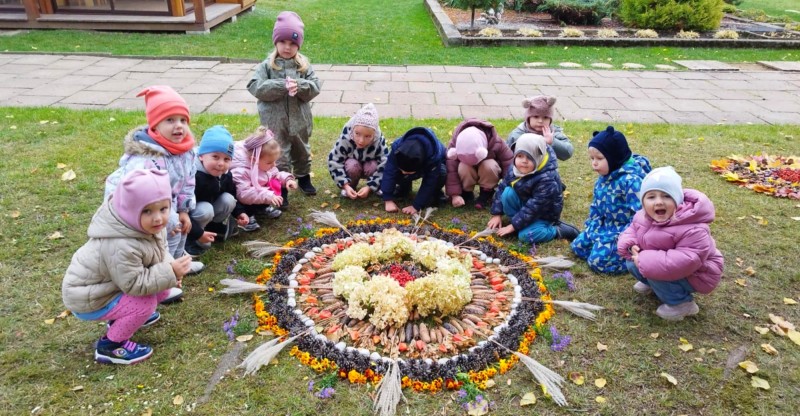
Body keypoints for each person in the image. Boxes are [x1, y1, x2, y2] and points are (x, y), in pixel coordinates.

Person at [63, 169, 190, 364]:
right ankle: (111, 346)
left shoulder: (146, 226)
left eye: (163, 209)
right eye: (147, 211)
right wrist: (170, 271)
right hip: (90, 298)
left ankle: (126, 317)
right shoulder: (121, 243)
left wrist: (170, 267)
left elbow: (160, 251)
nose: (158, 218)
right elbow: (134, 284)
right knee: (145, 304)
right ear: (130, 210)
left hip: (112, 286)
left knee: (163, 290)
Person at [104, 85, 204, 275]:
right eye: (170, 120)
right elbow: (138, 195)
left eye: (183, 120)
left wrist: (184, 209)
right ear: (155, 126)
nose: (179, 126)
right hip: (139, 208)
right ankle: (163, 271)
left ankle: (177, 261)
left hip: (167, 203)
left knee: (181, 223)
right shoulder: (147, 158)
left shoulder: (186, 151)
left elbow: (188, 182)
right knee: (168, 227)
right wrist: (167, 215)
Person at [617, 167, 724, 321]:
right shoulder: (643, 216)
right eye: (651, 197)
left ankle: (682, 304)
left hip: (698, 274)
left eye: (667, 196)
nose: (659, 202)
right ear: (643, 201)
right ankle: (656, 285)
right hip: (663, 263)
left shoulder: (693, 227)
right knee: (633, 264)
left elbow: (687, 259)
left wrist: (644, 260)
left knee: (654, 268)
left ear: (678, 200)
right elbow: (631, 230)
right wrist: (629, 245)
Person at [247, 11, 320, 200]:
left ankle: (303, 177)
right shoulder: (267, 66)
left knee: (302, 149)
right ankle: (282, 185)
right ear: (275, 42)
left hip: (300, 119)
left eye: (293, 43)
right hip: (274, 121)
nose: (287, 47)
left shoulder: (303, 66)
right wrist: (280, 85)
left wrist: (301, 85)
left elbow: (315, 86)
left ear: (298, 45)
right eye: (283, 42)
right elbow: (255, 86)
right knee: (280, 153)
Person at [570, 126, 652, 274]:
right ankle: (602, 245)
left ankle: (634, 258)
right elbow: (596, 206)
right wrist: (592, 225)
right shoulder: (603, 178)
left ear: (615, 157)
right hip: (605, 225)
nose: (594, 163)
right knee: (578, 247)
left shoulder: (631, 181)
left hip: (624, 230)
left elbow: (641, 216)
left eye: (599, 158)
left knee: (598, 262)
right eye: (592, 158)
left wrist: (629, 239)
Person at [487, 133, 579, 243]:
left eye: (529, 157)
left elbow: (535, 207)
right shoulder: (515, 167)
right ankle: (520, 222)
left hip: (542, 213)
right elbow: (502, 187)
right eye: (520, 156)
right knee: (507, 193)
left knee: (526, 236)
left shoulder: (547, 179)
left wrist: (513, 226)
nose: (524, 161)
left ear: (538, 157)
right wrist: (497, 213)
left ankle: (557, 230)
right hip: (525, 204)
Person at [185, 126, 250, 256]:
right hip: (190, 215)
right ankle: (189, 238)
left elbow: (232, 194)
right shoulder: (193, 175)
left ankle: (213, 226)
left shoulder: (225, 173)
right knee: (206, 209)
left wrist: (240, 212)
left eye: (226, 159)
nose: (221, 163)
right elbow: (182, 211)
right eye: (215, 157)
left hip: (209, 209)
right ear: (202, 156)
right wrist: (198, 233)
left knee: (228, 199)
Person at [231, 126, 298, 231]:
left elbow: (276, 175)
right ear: (254, 160)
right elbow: (243, 194)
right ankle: (247, 215)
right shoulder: (241, 170)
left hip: (260, 194)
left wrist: (287, 179)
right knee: (250, 196)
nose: (274, 165)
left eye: (275, 161)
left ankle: (262, 208)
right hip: (244, 200)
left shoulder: (265, 164)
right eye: (270, 162)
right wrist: (268, 195)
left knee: (272, 184)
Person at [445, 118, 513, 210]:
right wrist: (454, 194)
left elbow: (508, 163)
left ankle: (486, 192)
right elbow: (451, 171)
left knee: (489, 165)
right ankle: (466, 192)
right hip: (467, 171)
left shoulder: (497, 142)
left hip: (488, 170)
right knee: (463, 166)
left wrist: (509, 187)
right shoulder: (455, 143)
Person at [327, 103, 388, 199]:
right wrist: (345, 185)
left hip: (370, 166)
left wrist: (370, 186)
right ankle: (350, 187)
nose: (361, 140)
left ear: (374, 134)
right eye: (357, 134)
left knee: (373, 166)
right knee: (352, 165)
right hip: (352, 166)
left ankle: (373, 188)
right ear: (352, 130)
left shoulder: (379, 141)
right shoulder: (345, 138)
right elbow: (334, 160)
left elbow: (385, 164)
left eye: (367, 136)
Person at [381, 127, 446, 215]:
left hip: (435, 167)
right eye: (402, 170)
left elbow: (430, 181)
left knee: (441, 174)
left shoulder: (434, 156)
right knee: (393, 169)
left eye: (407, 172)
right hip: (414, 165)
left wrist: (416, 206)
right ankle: (404, 188)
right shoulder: (397, 148)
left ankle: (435, 193)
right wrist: (387, 199)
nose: (403, 173)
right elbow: (389, 172)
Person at [506, 95, 574, 161]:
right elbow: (506, 155)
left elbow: (568, 152)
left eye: (545, 117)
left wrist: (552, 142)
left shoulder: (553, 132)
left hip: (547, 170)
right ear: (528, 118)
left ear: (550, 120)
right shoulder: (518, 134)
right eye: (536, 117)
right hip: (521, 169)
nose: (540, 121)